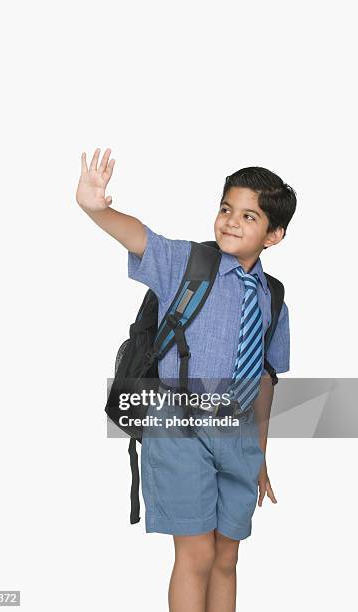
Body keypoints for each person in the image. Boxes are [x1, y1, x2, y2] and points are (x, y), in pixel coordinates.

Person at [76, 147, 297, 612]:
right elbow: (141, 238)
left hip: (237, 435)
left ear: (274, 234)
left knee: (226, 555)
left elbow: (263, 381)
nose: (231, 222)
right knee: (195, 553)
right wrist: (98, 208)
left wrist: (260, 455)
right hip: (178, 430)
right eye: (225, 209)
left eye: (249, 216)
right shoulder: (188, 263)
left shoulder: (272, 298)